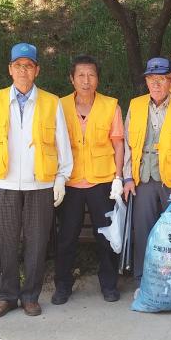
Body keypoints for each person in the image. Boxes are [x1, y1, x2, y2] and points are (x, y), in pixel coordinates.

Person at [0, 42, 73, 319]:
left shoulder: (51, 102)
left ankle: (30, 296)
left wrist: (62, 178)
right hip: (4, 185)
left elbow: (62, 142)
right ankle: (7, 296)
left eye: (28, 65)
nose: (23, 70)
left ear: (37, 70)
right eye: (18, 65)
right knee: (5, 242)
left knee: (37, 243)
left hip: (40, 184)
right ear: (10, 69)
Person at [52, 55, 125, 305]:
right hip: (70, 181)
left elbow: (118, 144)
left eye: (91, 75)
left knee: (105, 235)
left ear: (98, 78)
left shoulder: (110, 106)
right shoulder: (58, 106)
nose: (86, 80)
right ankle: (62, 285)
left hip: (102, 179)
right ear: (71, 79)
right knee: (66, 236)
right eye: (81, 75)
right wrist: (56, 178)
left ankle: (109, 284)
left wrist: (118, 176)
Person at [119, 57, 171, 293]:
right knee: (143, 230)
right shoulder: (136, 105)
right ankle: (144, 281)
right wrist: (128, 177)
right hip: (143, 178)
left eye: (161, 79)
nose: (156, 84)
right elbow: (130, 144)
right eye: (152, 79)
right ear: (146, 81)